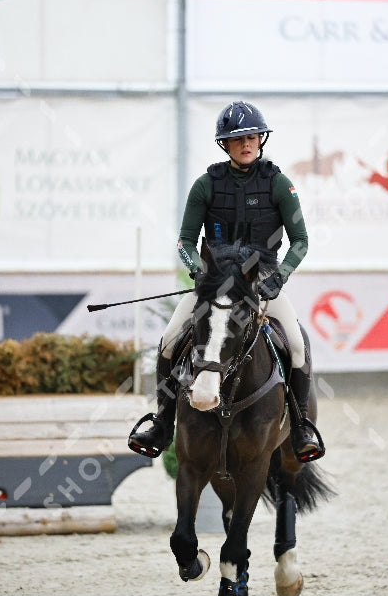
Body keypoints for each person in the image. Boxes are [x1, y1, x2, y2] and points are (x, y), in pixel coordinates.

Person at [129, 101, 324, 462]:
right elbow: (185, 242)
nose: (246, 144)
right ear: (225, 144)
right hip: (214, 281)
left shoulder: (280, 184)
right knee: (169, 341)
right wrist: (198, 271)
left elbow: (300, 241)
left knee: (297, 346)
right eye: (237, 139)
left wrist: (279, 276)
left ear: (260, 140)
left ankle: (300, 427)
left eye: (252, 137)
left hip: (261, 280)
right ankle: (162, 421)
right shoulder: (205, 185)